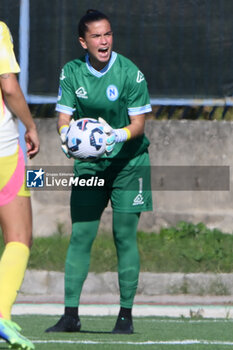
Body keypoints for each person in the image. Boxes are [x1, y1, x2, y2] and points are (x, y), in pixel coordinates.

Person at [46, 9, 152, 334]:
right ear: (83, 41)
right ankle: (70, 316)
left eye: (107, 34)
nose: (104, 41)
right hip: (90, 166)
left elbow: (138, 124)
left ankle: (125, 317)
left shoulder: (129, 73)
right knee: (80, 235)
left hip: (129, 164)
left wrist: (116, 134)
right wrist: (65, 135)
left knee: (123, 235)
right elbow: (64, 115)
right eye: (96, 36)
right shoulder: (72, 72)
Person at [0, 21, 39, 349]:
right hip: (1, 150)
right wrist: (30, 125)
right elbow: (9, 86)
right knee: (18, 237)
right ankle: (0, 313)